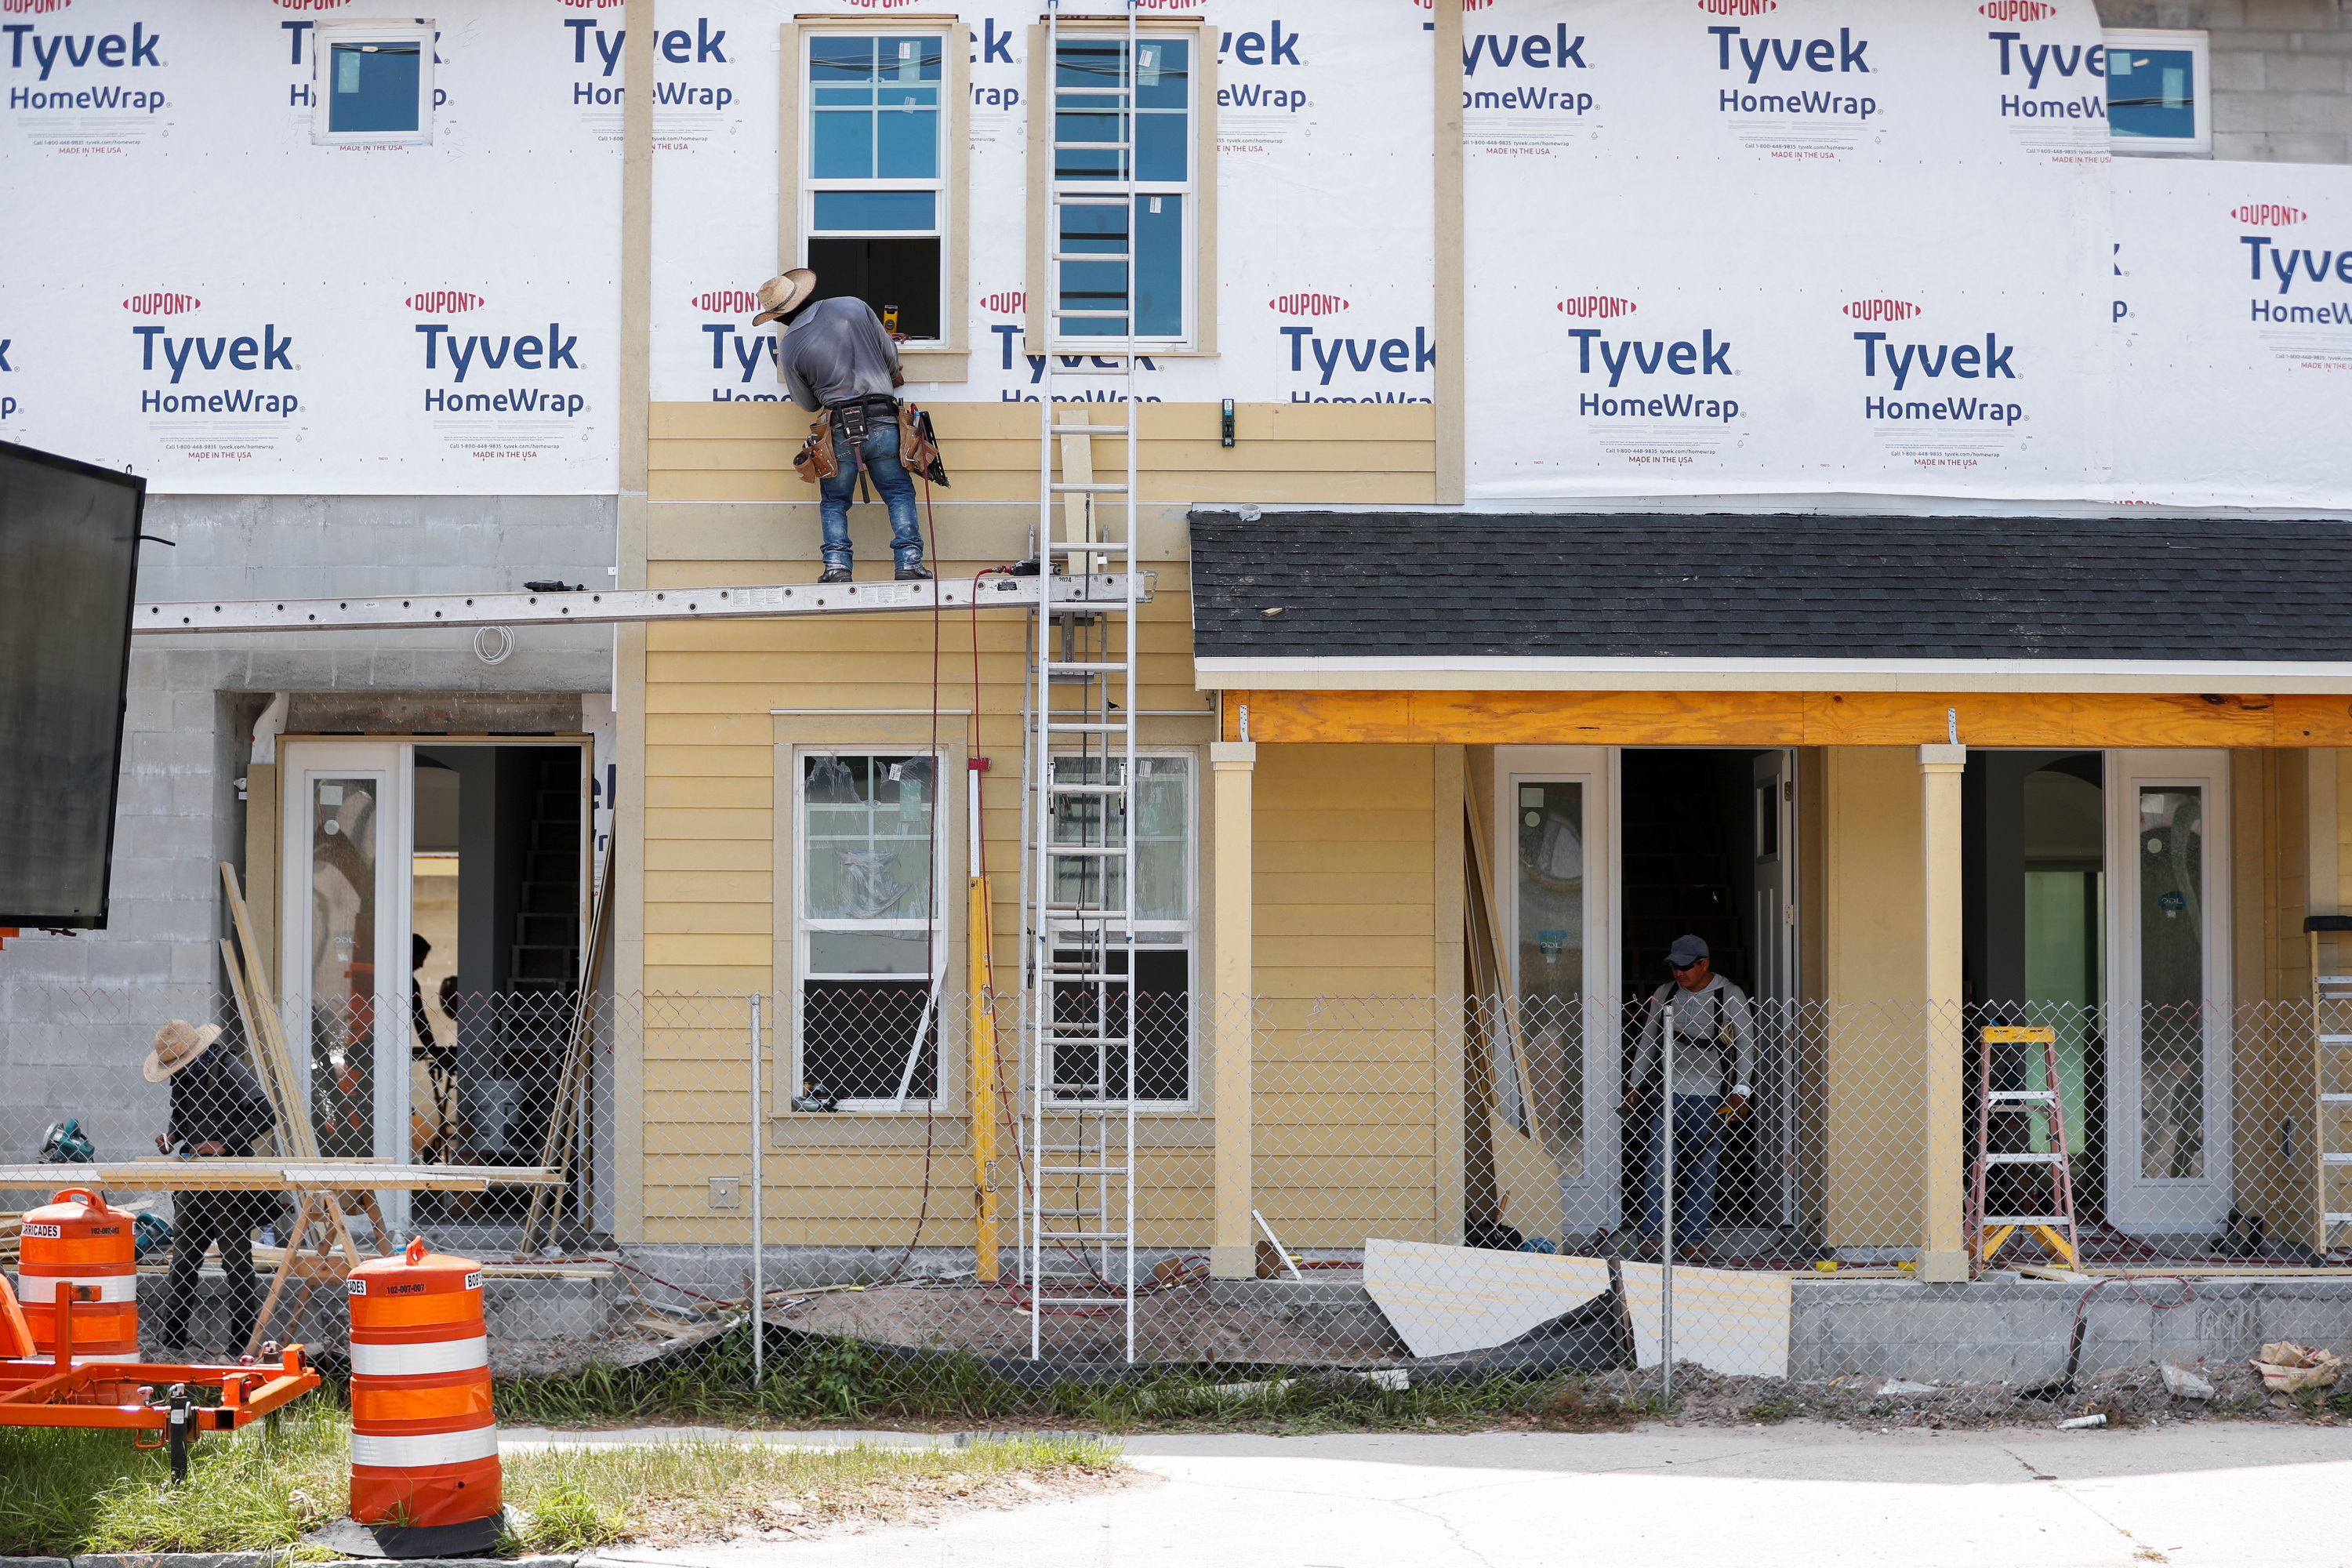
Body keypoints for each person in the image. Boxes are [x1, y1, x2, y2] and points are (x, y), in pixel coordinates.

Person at [757, 268, 930, 585]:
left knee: (835, 501)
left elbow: (808, 404)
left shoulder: (792, 345)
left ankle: (836, 567)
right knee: (898, 491)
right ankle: (909, 563)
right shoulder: (853, 305)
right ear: (804, 294)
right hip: (882, 416)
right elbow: (890, 358)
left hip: (838, 426)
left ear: (779, 317)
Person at [147, 1018, 277, 1355]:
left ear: (195, 1051)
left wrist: (224, 1144)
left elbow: (265, 1112)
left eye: (179, 1063)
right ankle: (173, 1345)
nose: (177, 1071)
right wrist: (172, 1136)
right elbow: (182, 1113)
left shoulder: (228, 1067)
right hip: (193, 1183)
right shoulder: (183, 1075)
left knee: (236, 1264)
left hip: (231, 1184)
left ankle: (239, 1347)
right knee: (184, 1262)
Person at [1621, 935, 1753, 1264]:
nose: (1678, 973)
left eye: (1685, 966)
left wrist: (1742, 1092)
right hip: (1668, 1093)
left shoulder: (1729, 996)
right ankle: (1654, 1235)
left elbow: (1747, 1048)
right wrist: (1635, 1085)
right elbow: (1647, 1041)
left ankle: (1693, 1238)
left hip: (1712, 1096)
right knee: (1658, 1165)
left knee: (1703, 1169)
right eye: (1674, 966)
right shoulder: (1666, 994)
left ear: (1704, 964)